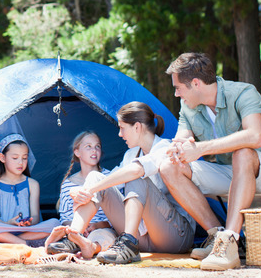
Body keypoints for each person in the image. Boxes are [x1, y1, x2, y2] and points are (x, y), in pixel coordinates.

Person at [159, 52, 261, 271]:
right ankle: (217, 238)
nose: (176, 94)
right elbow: (182, 137)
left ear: (196, 83)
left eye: (178, 88)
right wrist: (177, 149)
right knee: (169, 167)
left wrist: (201, 148)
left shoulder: (243, 93)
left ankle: (231, 240)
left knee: (242, 152)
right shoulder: (189, 107)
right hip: (231, 173)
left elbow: (255, 136)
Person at [46, 102, 195, 264]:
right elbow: (107, 182)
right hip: (143, 237)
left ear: (137, 127)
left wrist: (91, 189)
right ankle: (74, 236)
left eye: (122, 128)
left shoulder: (165, 148)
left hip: (174, 236)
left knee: (135, 177)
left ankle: (128, 244)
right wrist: (85, 190)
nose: (119, 134)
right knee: (96, 176)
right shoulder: (131, 155)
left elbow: (135, 171)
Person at [0, 134, 59, 246]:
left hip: (27, 230)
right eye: (15, 158)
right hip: (3, 228)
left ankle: (3, 241)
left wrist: (29, 222)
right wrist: (7, 223)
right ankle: (24, 243)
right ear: (2, 158)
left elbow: (36, 216)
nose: (20, 163)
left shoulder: (33, 184)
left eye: (24, 158)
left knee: (55, 224)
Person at [46, 131, 117, 257]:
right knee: (58, 227)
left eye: (97, 146)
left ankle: (90, 246)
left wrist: (97, 225)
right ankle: (74, 241)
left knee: (104, 235)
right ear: (77, 152)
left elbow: (116, 211)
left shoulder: (109, 177)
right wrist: (77, 228)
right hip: (76, 229)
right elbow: (65, 218)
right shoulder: (68, 184)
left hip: (102, 228)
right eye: (88, 147)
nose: (94, 150)